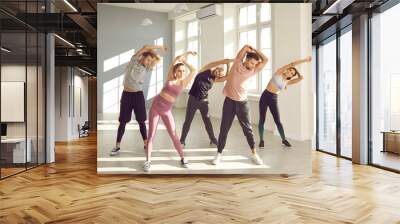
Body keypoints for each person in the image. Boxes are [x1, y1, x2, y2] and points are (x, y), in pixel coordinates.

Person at [212, 45, 268, 165]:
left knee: (248, 129)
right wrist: (250, 49)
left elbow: (266, 60)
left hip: (243, 103)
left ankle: (254, 154)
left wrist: (256, 51)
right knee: (224, 128)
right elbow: (245, 48)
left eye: (255, 64)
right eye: (251, 62)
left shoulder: (253, 70)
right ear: (246, 59)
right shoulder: (237, 63)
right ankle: (219, 154)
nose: (253, 65)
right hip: (229, 102)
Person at [144, 51, 197, 172]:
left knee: (173, 135)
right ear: (175, 71)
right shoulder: (170, 78)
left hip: (167, 111)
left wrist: (184, 61)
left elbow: (193, 70)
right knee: (151, 135)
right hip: (156, 108)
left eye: (183, 71)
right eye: (179, 71)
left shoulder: (183, 82)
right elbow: (172, 64)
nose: (182, 73)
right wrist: (176, 60)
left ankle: (183, 158)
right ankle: (148, 161)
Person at [110, 45, 166, 156]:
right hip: (126, 95)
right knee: (123, 121)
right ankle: (117, 146)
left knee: (141, 121)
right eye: (147, 59)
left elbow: (158, 59)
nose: (148, 62)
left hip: (138, 96)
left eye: (150, 61)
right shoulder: (133, 61)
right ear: (143, 57)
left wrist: (155, 54)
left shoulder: (147, 68)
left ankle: (146, 143)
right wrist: (158, 47)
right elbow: (145, 47)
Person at [258, 56, 312, 148]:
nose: (290, 72)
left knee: (278, 121)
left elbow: (301, 78)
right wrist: (305, 61)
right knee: (262, 119)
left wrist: (296, 72)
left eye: (292, 73)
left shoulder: (287, 82)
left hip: (273, 99)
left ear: (291, 76)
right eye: (290, 70)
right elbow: (292, 64)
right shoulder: (278, 72)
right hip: (265, 96)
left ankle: (284, 140)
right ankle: (261, 140)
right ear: (286, 70)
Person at [180, 58, 234, 147]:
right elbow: (213, 63)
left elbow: (227, 77)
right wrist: (225, 61)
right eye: (218, 71)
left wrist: (228, 65)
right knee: (188, 121)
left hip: (204, 102)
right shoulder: (205, 69)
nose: (218, 74)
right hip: (193, 100)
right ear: (217, 69)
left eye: (220, 74)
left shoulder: (214, 79)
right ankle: (182, 141)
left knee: (207, 122)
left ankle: (213, 139)